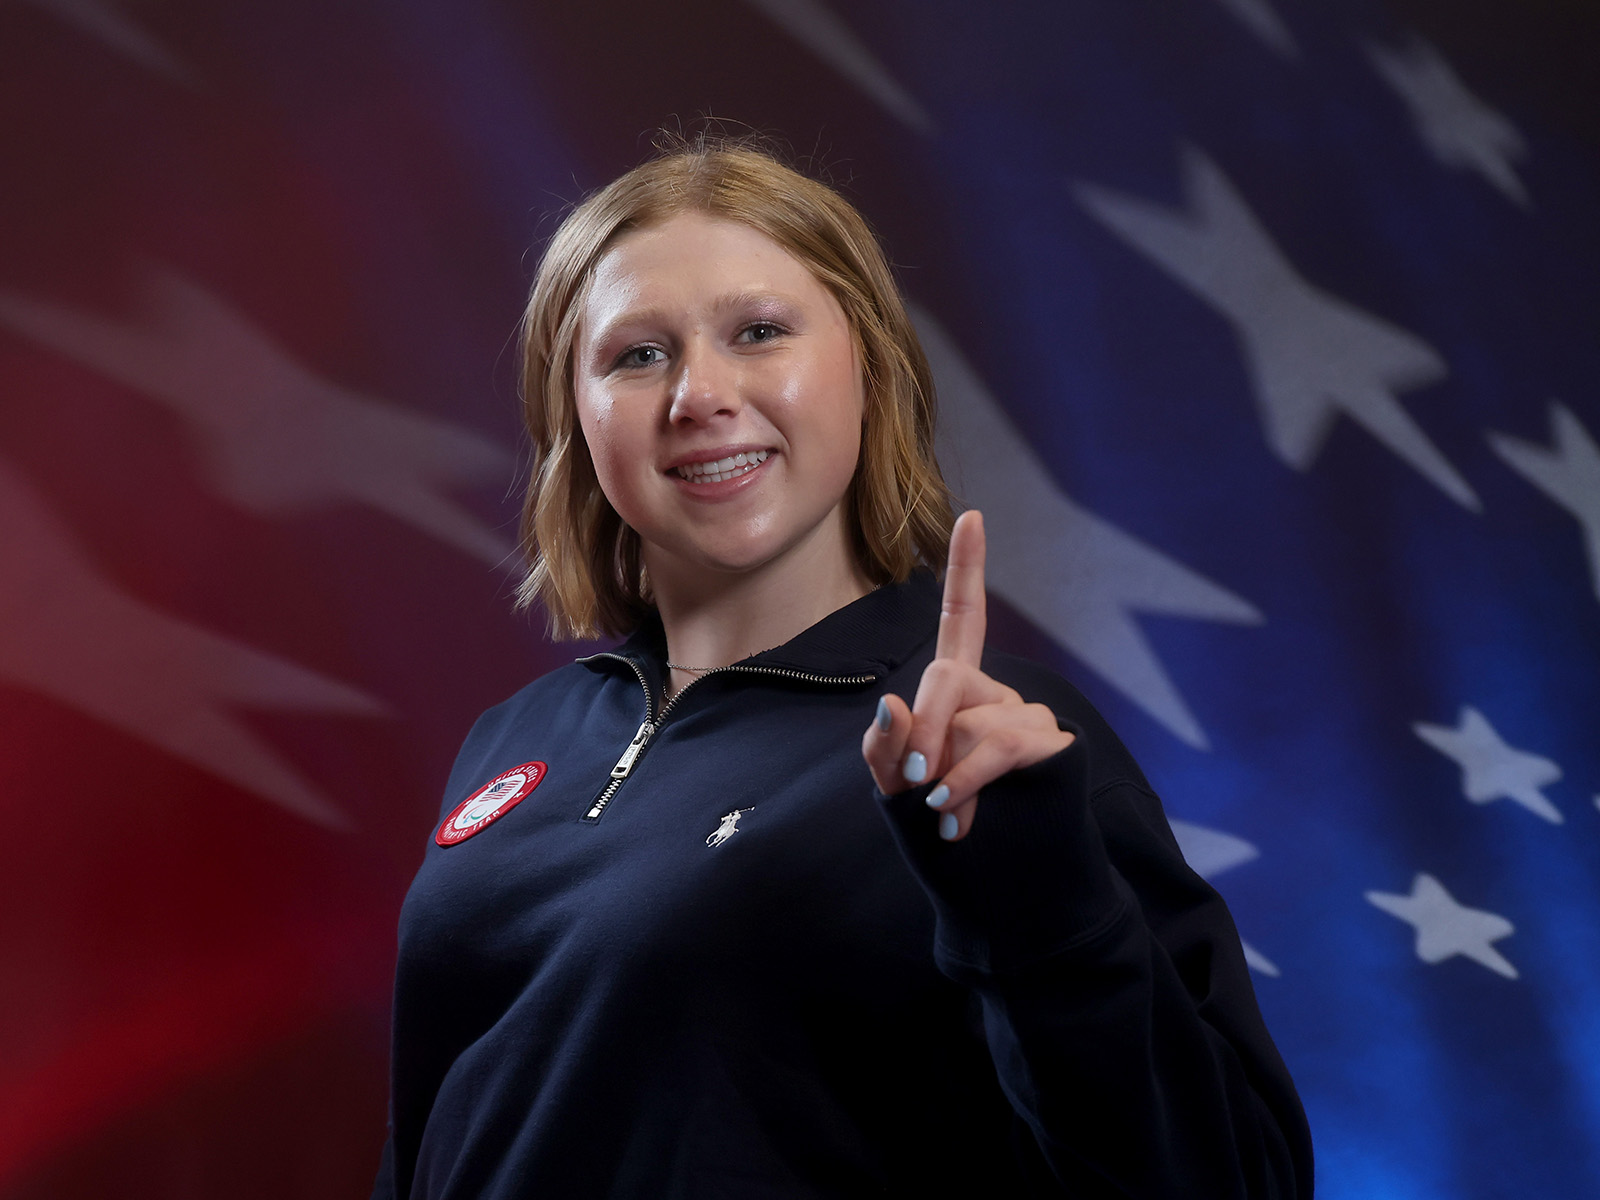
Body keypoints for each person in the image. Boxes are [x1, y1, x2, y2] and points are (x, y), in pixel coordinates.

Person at [372, 136, 1314, 1198]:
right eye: (637, 355)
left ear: (868, 365)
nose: (699, 393)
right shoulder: (515, 739)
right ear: (574, 415)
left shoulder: (995, 744)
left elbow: (1230, 1183)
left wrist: (1038, 906)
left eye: (759, 332)